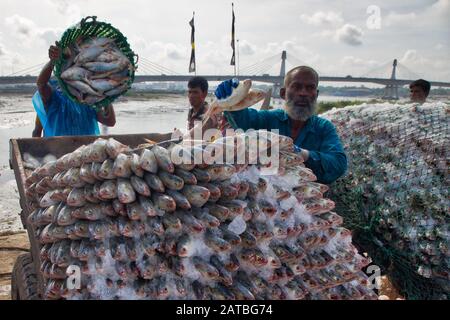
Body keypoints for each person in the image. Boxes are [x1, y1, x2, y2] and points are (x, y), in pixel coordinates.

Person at [213, 66, 347, 184]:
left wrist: (303, 154)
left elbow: (338, 164)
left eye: (310, 88)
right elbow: (243, 119)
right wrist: (230, 99)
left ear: (316, 94)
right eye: (296, 87)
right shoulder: (268, 119)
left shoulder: (323, 127)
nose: (303, 93)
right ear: (283, 93)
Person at [32, 42, 116, 137]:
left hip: (85, 150)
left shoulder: (88, 98)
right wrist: (52, 62)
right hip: (57, 150)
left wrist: (106, 93)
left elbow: (110, 121)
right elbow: (41, 84)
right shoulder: (53, 94)